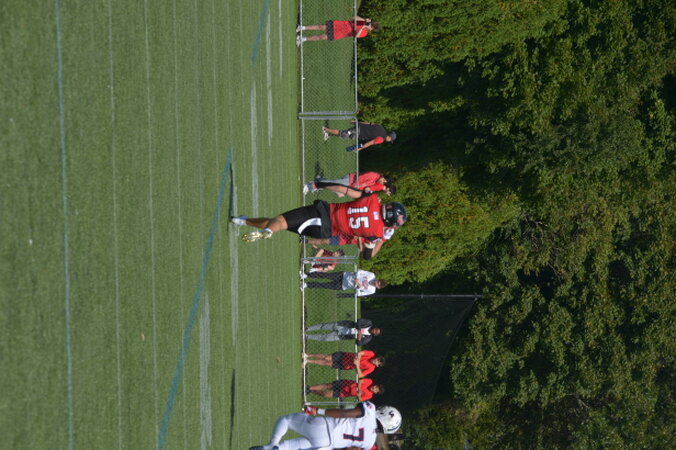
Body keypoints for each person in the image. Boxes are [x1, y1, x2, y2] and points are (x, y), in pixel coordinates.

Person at [230, 194, 408, 255]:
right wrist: (375, 240)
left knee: (281, 221)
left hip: (323, 216)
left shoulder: (372, 199)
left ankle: (268, 231)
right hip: (325, 230)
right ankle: (244, 220)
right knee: (279, 223)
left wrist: (322, 184)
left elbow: (348, 190)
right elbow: (368, 256)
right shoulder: (376, 232)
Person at [248, 402, 402, 450]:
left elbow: (345, 413)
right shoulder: (369, 443)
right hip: (327, 444)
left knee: (287, 420)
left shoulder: (370, 409)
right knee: (290, 447)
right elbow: (350, 449)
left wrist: (319, 411)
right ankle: (276, 448)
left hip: (325, 426)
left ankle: (272, 444)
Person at [303, 226, 397, 260]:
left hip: (345, 239)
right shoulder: (374, 226)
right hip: (345, 228)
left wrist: (359, 239)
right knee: (324, 229)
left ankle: (305, 240)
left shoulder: (372, 242)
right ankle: (305, 230)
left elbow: (363, 250)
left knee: (325, 241)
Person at [303, 171, 397, 198]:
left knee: (334, 186)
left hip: (351, 184)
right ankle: (310, 185)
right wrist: (354, 186)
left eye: (384, 182)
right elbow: (361, 178)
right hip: (350, 180)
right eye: (383, 180)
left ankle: (319, 180)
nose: (382, 182)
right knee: (333, 184)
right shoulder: (374, 176)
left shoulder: (376, 182)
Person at [295, 16, 379, 46]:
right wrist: (364, 20)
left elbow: (356, 35)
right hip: (340, 25)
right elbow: (353, 17)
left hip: (340, 33)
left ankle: (303, 39)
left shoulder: (364, 33)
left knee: (322, 37)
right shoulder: (362, 21)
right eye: (371, 25)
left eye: (371, 28)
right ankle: (301, 28)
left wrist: (363, 27)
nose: (370, 27)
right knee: (321, 27)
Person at [322, 121, 396, 152]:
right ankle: (325, 129)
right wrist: (360, 148)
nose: (389, 141)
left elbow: (368, 123)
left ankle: (328, 134)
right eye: (390, 140)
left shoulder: (381, 127)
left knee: (344, 135)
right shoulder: (381, 139)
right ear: (389, 137)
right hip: (359, 133)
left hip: (359, 129)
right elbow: (370, 143)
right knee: (342, 133)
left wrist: (357, 122)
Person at [302, 269, 387, 297]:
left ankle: (306, 285)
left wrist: (359, 287)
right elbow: (360, 271)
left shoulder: (372, 290)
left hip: (344, 286)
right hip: (344, 275)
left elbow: (359, 294)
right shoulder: (372, 275)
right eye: (378, 282)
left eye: (378, 285)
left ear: (378, 287)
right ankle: (306, 275)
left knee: (324, 285)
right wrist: (357, 279)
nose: (376, 283)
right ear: (378, 280)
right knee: (325, 275)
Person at [304, 350, 385, 378]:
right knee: (327, 357)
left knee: (327, 363)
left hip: (346, 365)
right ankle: (307, 355)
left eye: (378, 363)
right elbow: (360, 353)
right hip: (345, 356)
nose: (376, 361)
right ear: (377, 357)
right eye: (377, 359)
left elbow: (360, 375)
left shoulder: (371, 368)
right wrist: (357, 359)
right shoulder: (371, 354)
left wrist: (357, 365)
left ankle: (308, 361)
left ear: (377, 365)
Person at [305, 318, 380, 346]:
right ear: (375, 327)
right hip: (343, 325)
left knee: (324, 338)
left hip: (342, 336)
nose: (374, 331)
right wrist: (359, 330)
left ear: (375, 334)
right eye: (376, 329)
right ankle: (308, 328)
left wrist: (359, 339)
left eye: (376, 332)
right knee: (324, 326)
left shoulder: (368, 338)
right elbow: (359, 321)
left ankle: (308, 336)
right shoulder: (369, 323)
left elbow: (359, 344)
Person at [307, 378, 383, 401]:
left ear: (376, 392)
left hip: (344, 393)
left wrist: (359, 395)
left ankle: (311, 391)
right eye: (376, 387)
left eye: (376, 390)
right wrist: (359, 389)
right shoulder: (369, 381)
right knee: (328, 386)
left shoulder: (369, 395)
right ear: (375, 385)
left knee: (325, 394)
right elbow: (361, 381)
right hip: (345, 384)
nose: (374, 388)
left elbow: (360, 399)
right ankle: (309, 388)